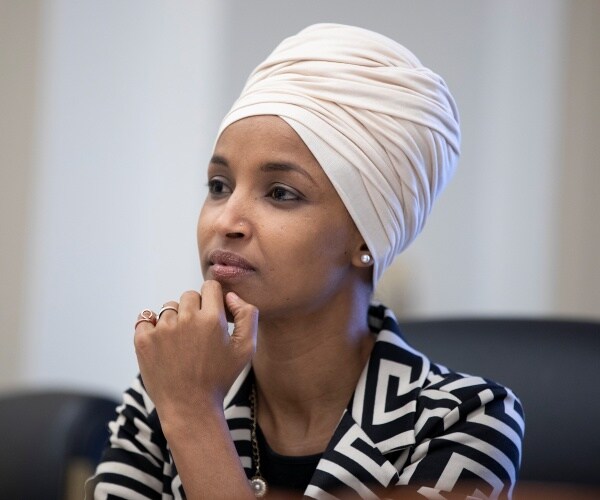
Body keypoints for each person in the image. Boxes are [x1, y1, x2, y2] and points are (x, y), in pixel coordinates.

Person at [86, 23, 524, 499]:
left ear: (365, 234)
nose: (226, 220)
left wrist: (195, 416)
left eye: (280, 193)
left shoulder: (467, 421)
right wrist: (184, 404)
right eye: (219, 186)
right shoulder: (161, 394)